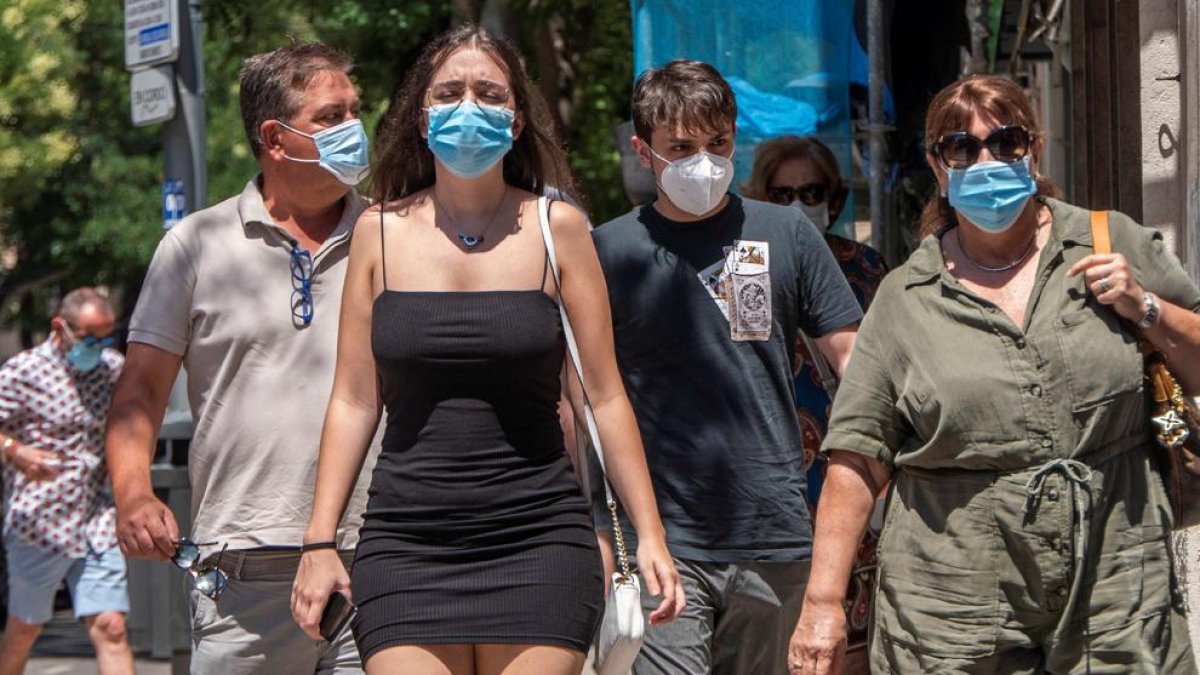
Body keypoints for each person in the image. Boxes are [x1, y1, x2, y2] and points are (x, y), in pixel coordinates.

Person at [288, 24, 683, 675]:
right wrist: (319, 540)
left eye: (489, 94)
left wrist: (651, 535)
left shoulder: (560, 230)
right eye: (449, 93)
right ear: (421, 119)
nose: (468, 106)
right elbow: (354, 399)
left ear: (517, 120)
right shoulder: (376, 233)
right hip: (405, 549)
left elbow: (604, 396)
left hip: (541, 544)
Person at [790, 74, 1200, 675]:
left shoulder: (1108, 241)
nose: (986, 160)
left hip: (1116, 581)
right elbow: (857, 456)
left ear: (1034, 150)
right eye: (962, 147)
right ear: (938, 167)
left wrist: (1146, 306)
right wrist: (822, 604)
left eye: (1006, 141)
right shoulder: (905, 298)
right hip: (955, 602)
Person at [105, 42, 377, 674]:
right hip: (243, 574)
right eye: (330, 117)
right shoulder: (195, 244)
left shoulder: (391, 235)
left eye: (354, 111)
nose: (354, 128)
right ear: (275, 139)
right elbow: (141, 391)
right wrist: (133, 493)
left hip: (376, 560)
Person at [593, 59, 862, 675]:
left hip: (775, 530)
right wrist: (602, 531)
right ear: (643, 151)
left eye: (717, 143)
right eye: (681, 148)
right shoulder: (607, 251)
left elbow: (854, 360)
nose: (704, 162)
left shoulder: (786, 232)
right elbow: (585, 399)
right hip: (662, 537)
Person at [743, 135, 887, 674]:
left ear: (834, 197)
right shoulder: (747, 266)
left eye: (811, 192)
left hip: (850, 462)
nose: (797, 205)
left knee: (853, 635)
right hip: (773, 473)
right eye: (782, 195)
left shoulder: (866, 267)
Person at [0, 288, 133, 675]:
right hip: (39, 523)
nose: (97, 346)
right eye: (89, 337)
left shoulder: (112, 368)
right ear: (60, 327)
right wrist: (14, 450)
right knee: (24, 630)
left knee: (111, 627)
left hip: (95, 519)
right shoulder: (22, 371)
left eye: (105, 337)